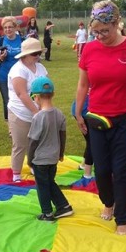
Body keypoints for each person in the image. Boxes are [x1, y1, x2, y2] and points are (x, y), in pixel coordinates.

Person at [75, 0, 126, 236]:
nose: (100, 36)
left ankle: (122, 217)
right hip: (97, 119)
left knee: (119, 170)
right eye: (96, 31)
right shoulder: (89, 49)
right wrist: (78, 112)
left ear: (116, 24)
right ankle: (108, 201)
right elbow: (83, 84)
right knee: (101, 170)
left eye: (105, 31)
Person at [27, 76, 73, 221]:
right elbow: (62, 135)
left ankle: (47, 213)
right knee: (49, 182)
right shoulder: (59, 114)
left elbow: (32, 141)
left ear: (36, 97)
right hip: (53, 157)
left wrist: (29, 159)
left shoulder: (38, 117)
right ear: (52, 94)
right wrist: (61, 153)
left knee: (42, 186)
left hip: (40, 159)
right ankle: (63, 206)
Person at [7, 38, 48, 182]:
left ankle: (33, 166)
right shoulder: (18, 70)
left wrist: (45, 108)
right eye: (34, 53)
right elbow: (21, 94)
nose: (37, 56)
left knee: (36, 143)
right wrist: (36, 112)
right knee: (20, 144)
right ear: (25, 55)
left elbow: (46, 87)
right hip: (20, 113)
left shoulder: (41, 68)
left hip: (38, 112)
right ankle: (16, 174)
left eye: (38, 53)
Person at [0, 16, 23, 122]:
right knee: (7, 100)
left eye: (10, 27)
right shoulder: (0, 41)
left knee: (21, 98)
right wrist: (0, 58)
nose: (8, 30)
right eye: (5, 28)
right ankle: (10, 125)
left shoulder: (23, 40)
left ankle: (21, 120)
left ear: (15, 28)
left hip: (20, 76)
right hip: (3, 76)